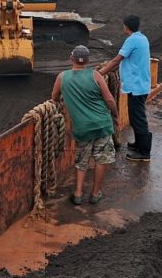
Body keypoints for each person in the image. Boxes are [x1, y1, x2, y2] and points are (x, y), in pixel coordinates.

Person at [52, 45, 120, 205]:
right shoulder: (96, 75)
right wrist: (115, 116)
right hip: (102, 125)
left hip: (82, 128)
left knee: (82, 161)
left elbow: (54, 97)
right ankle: (95, 194)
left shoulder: (62, 77)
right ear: (88, 60)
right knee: (101, 160)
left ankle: (77, 194)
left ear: (71, 58)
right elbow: (110, 100)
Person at [98, 14, 151, 162]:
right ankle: (138, 144)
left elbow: (117, 59)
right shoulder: (143, 38)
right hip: (141, 84)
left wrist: (100, 73)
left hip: (136, 86)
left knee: (138, 119)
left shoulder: (132, 40)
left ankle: (144, 152)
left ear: (126, 26)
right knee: (136, 117)